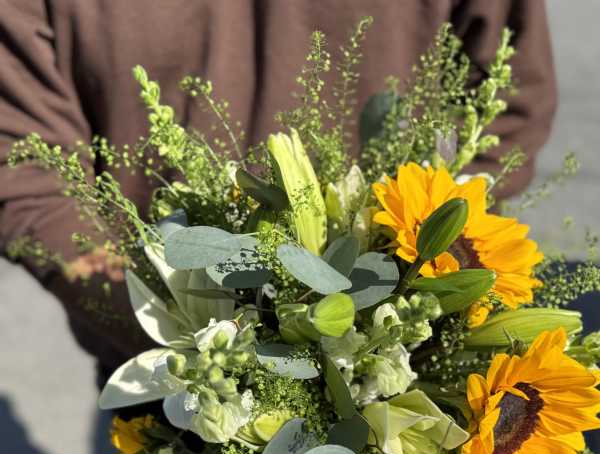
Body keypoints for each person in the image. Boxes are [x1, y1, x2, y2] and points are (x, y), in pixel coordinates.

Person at [0, 0, 556, 375]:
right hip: (174, 368)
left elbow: (505, 98)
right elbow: (27, 168)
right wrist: (180, 335)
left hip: (402, 362)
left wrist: (428, 291)